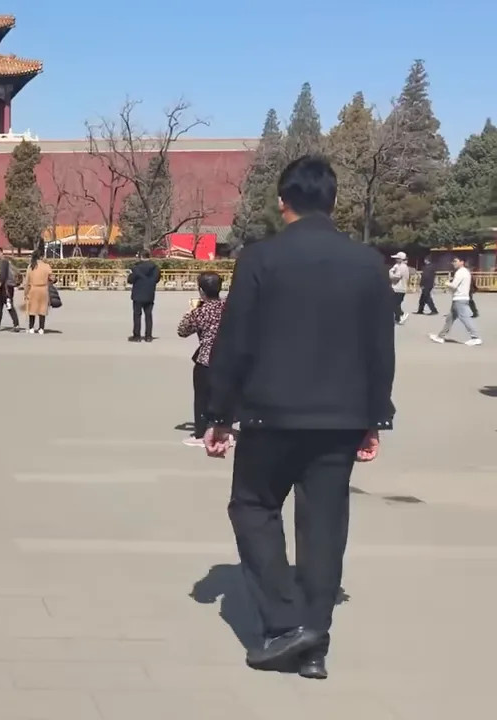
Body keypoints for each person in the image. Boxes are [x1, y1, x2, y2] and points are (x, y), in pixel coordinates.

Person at [204, 156, 394, 680]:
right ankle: (314, 642)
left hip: (271, 415)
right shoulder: (366, 262)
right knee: (325, 526)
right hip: (340, 419)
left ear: (283, 200)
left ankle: (287, 625)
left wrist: (219, 413)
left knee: (253, 507)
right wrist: (377, 416)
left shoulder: (261, 258)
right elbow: (381, 347)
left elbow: (235, 341)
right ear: (333, 202)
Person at [176, 272, 226, 448]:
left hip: (207, 358)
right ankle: (223, 429)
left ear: (201, 290)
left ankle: (201, 432)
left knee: (202, 397)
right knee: (226, 395)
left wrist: (192, 310)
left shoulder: (200, 311)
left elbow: (182, 331)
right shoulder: (229, 307)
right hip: (229, 358)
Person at [429, 256, 482, 346]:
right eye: (453, 261)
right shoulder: (465, 272)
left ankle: (475, 337)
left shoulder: (460, 272)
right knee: (450, 318)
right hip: (461, 298)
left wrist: (446, 283)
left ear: (462, 262)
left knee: (465, 318)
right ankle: (441, 336)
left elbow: (454, 285)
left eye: (455, 261)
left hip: (460, 298)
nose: (453, 263)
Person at [127, 249, 160, 342]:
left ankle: (137, 336)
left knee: (137, 315)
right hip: (149, 294)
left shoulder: (136, 268)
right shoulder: (155, 268)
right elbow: (157, 279)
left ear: (141, 257)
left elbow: (130, 280)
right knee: (148, 315)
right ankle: (148, 336)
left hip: (138, 294)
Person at [22, 252, 52, 334]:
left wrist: (25, 293)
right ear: (41, 257)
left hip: (33, 289)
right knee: (42, 309)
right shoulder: (46, 266)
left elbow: (27, 281)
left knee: (32, 309)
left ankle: (31, 327)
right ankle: (41, 328)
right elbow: (52, 277)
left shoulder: (31, 266)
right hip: (43, 289)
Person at [0, 248, 20, 331]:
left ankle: (16, 324)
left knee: (8, 305)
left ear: (1, 253)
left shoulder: (4, 262)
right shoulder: (0, 262)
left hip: (6, 288)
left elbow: (3, 275)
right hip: (5, 287)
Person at [388, 251, 409, 325]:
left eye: (397, 258)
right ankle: (398, 318)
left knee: (394, 304)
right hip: (399, 288)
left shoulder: (402, 267)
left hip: (399, 288)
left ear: (401, 259)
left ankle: (401, 315)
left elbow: (396, 277)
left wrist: (390, 273)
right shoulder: (398, 266)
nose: (396, 259)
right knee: (396, 304)